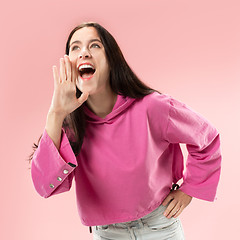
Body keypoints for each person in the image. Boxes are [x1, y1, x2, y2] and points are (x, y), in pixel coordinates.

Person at [30, 22, 221, 240]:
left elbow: (207, 138)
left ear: (111, 60)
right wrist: (55, 113)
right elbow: (44, 186)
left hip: (159, 227)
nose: (84, 52)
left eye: (94, 45)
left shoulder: (152, 107)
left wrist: (190, 189)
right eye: (75, 47)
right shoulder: (71, 126)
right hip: (107, 234)